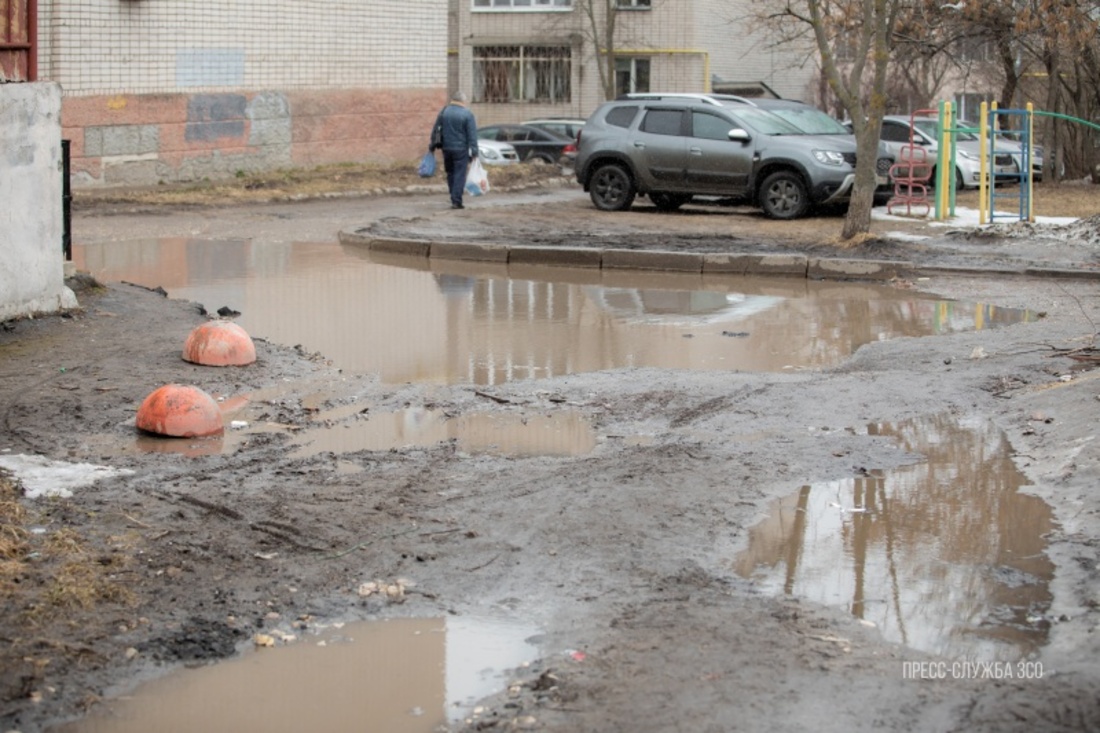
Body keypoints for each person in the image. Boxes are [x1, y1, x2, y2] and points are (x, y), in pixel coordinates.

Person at [429, 91, 479, 209]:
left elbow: (436, 129)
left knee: (450, 173)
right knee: (459, 174)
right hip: (461, 149)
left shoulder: (444, 112)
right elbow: (472, 135)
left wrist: (432, 145)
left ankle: (453, 196)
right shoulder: (467, 114)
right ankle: (456, 201)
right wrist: (475, 152)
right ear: (462, 101)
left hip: (446, 148)